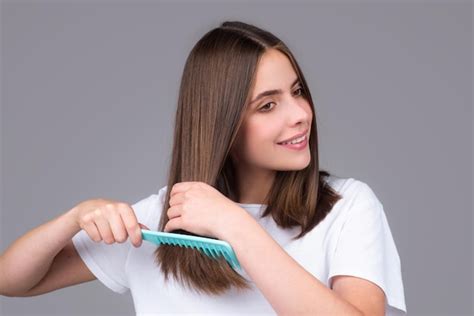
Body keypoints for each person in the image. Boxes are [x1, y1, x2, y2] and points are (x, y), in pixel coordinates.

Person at [0, 21, 407, 315]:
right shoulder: (160, 223)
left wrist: (235, 225)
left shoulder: (347, 207)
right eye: (268, 105)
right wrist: (75, 216)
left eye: (297, 91)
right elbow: (12, 281)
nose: (300, 114)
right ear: (221, 127)